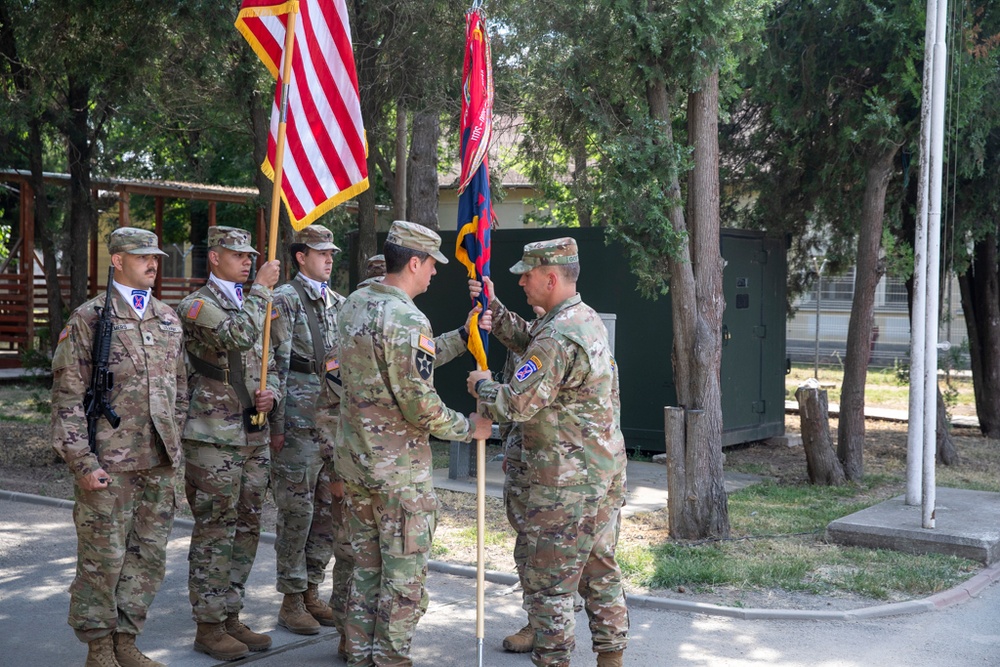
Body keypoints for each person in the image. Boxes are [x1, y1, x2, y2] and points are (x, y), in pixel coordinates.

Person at [336, 220, 493, 666]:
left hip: (357, 464)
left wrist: (464, 338)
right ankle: (391, 658)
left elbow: (397, 363)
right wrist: (468, 427)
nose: (435, 274)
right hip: (398, 475)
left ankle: (361, 655)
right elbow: (419, 404)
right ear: (414, 262)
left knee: (366, 570)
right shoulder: (406, 316)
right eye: (432, 265)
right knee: (404, 578)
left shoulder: (355, 303)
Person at [467, 237, 629, 667]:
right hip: (599, 475)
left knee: (550, 588)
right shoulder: (582, 318)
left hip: (564, 485)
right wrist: (498, 315)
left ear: (552, 277)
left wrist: (482, 386)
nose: (520, 280)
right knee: (600, 572)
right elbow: (535, 347)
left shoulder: (557, 335)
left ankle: (554, 659)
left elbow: (515, 403)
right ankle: (611, 658)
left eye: (528, 274)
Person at [51, 227, 186, 667]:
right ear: (117, 261)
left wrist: (174, 440)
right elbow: (68, 398)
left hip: (158, 463)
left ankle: (127, 641)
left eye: (155, 256)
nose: (152, 263)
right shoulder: (89, 319)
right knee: (102, 561)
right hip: (109, 464)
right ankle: (99, 648)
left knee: (146, 559)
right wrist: (82, 462)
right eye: (142, 256)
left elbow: (179, 388)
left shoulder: (167, 318)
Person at [176, 225, 281, 661]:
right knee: (215, 528)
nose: (246, 261)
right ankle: (209, 624)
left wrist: (271, 391)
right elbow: (237, 337)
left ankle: (231, 613)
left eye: (249, 255)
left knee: (249, 524)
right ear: (214, 257)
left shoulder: (252, 302)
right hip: (213, 435)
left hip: (252, 429)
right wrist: (259, 291)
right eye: (236, 254)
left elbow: (268, 357)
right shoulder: (198, 304)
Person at [268, 224, 344, 636]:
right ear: (300, 256)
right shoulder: (285, 299)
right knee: (297, 512)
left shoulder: (338, 302)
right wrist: (276, 424)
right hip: (297, 420)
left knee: (329, 511)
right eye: (320, 253)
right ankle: (291, 598)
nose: (328, 258)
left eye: (331, 252)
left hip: (332, 423)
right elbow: (272, 363)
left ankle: (313, 587)